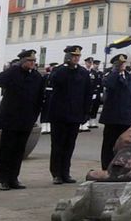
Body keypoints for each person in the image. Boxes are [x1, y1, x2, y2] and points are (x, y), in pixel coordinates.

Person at [0, 49, 45, 191]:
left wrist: (35, 115)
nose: (32, 63)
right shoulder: (13, 73)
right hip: (10, 118)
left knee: (19, 150)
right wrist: (13, 68)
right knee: (7, 149)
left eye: (34, 61)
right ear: (22, 61)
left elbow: (40, 97)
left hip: (26, 119)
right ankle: (3, 178)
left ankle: (14, 177)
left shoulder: (36, 77)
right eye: (30, 61)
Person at [48, 45, 93, 184]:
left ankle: (65, 172)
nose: (76, 59)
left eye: (77, 56)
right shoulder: (59, 70)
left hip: (75, 114)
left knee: (69, 145)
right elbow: (54, 82)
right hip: (59, 115)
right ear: (67, 57)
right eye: (73, 56)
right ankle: (56, 173)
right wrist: (65, 66)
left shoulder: (83, 73)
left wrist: (86, 112)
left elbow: (87, 93)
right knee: (57, 145)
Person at [99, 54, 131, 170]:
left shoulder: (130, 78)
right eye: (120, 64)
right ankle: (106, 167)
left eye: (124, 63)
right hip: (112, 117)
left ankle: (121, 166)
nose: (123, 66)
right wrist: (115, 71)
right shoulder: (110, 75)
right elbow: (108, 84)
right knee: (109, 144)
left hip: (126, 117)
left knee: (124, 145)